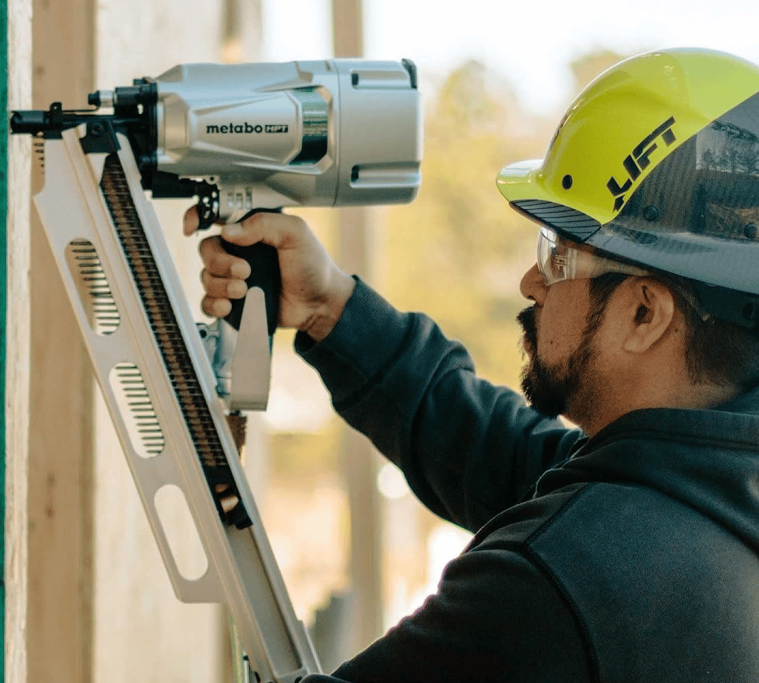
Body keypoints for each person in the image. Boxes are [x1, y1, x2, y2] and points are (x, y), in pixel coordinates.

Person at [185, 48, 759, 682]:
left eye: (557, 255)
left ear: (645, 313)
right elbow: (504, 455)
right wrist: (330, 307)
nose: (530, 283)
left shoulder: (560, 581)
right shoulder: (714, 493)